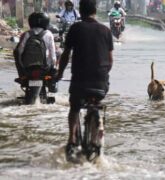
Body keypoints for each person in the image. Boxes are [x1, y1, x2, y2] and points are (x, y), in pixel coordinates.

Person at [56, 0, 113, 158]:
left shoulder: (75, 28)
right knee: (96, 103)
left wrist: (60, 74)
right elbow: (110, 60)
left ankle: (72, 138)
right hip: (100, 83)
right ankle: (96, 135)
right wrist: (103, 76)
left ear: (80, 11)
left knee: (74, 108)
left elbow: (66, 55)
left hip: (80, 82)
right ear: (95, 10)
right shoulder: (106, 30)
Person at [13, 12, 57, 92]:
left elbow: (19, 51)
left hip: (27, 68)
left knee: (16, 52)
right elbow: (53, 54)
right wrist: (53, 69)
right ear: (46, 22)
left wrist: (21, 68)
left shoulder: (26, 34)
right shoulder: (49, 34)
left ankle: (21, 77)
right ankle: (52, 83)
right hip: (44, 68)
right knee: (59, 52)